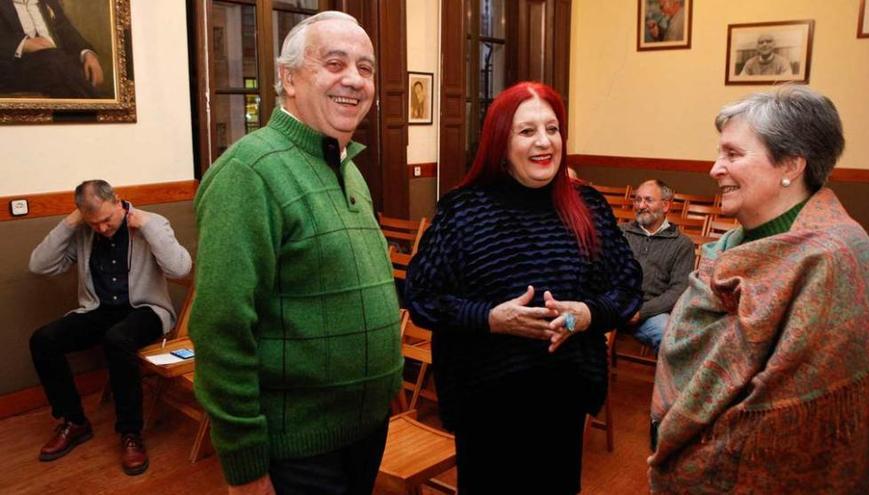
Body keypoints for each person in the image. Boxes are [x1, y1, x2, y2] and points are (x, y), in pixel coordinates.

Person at [189, 11, 402, 495]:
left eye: (365, 68)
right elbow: (221, 329)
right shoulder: (250, 171)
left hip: (363, 432)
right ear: (288, 78)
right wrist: (245, 465)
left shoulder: (345, 165)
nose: (353, 79)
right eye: (334, 62)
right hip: (299, 450)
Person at [406, 81, 642, 495]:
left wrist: (586, 316)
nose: (543, 142)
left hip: (561, 403)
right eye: (527, 131)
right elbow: (422, 297)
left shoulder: (588, 207)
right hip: (487, 407)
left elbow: (627, 287)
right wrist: (491, 319)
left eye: (552, 129)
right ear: (501, 141)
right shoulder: (464, 210)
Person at [649, 86, 869, 493]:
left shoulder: (833, 256)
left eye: (733, 154)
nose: (714, 169)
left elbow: (787, 423)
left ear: (790, 164)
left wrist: (692, 460)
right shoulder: (728, 247)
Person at [28, 180, 192, 475]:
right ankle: (74, 421)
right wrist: (70, 223)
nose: (102, 228)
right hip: (99, 309)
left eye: (107, 219)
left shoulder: (152, 223)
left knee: (117, 339)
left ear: (118, 201)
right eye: (94, 223)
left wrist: (146, 226)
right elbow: (38, 265)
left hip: (145, 309)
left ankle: (131, 433)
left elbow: (180, 269)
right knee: (43, 340)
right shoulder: (83, 231)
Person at [622, 179, 694, 354]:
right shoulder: (620, 232)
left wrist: (641, 311)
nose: (641, 205)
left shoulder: (682, 244)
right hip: (613, 306)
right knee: (572, 322)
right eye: (637, 200)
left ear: (665, 206)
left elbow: (679, 289)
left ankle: (665, 382)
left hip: (650, 313)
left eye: (648, 200)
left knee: (670, 337)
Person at [0, 0, 104, 98]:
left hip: (58, 67)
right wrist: (23, 44)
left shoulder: (49, 1)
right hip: (16, 69)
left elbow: (67, 30)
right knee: (54, 61)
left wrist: (88, 54)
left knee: (70, 75)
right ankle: (102, 109)